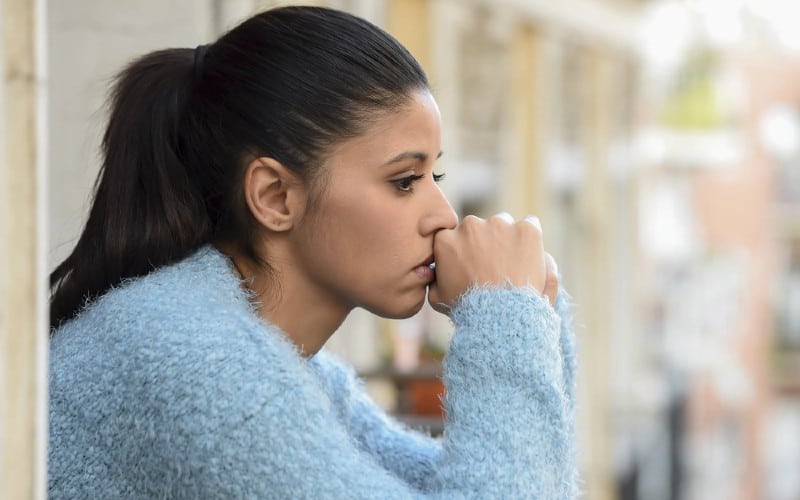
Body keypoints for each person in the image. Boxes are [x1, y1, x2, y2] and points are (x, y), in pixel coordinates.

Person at [48, 5, 578, 498]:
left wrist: (533, 319)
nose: (443, 214)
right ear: (274, 197)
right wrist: (505, 316)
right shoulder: (198, 364)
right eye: (404, 180)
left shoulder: (270, 361)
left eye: (434, 175)